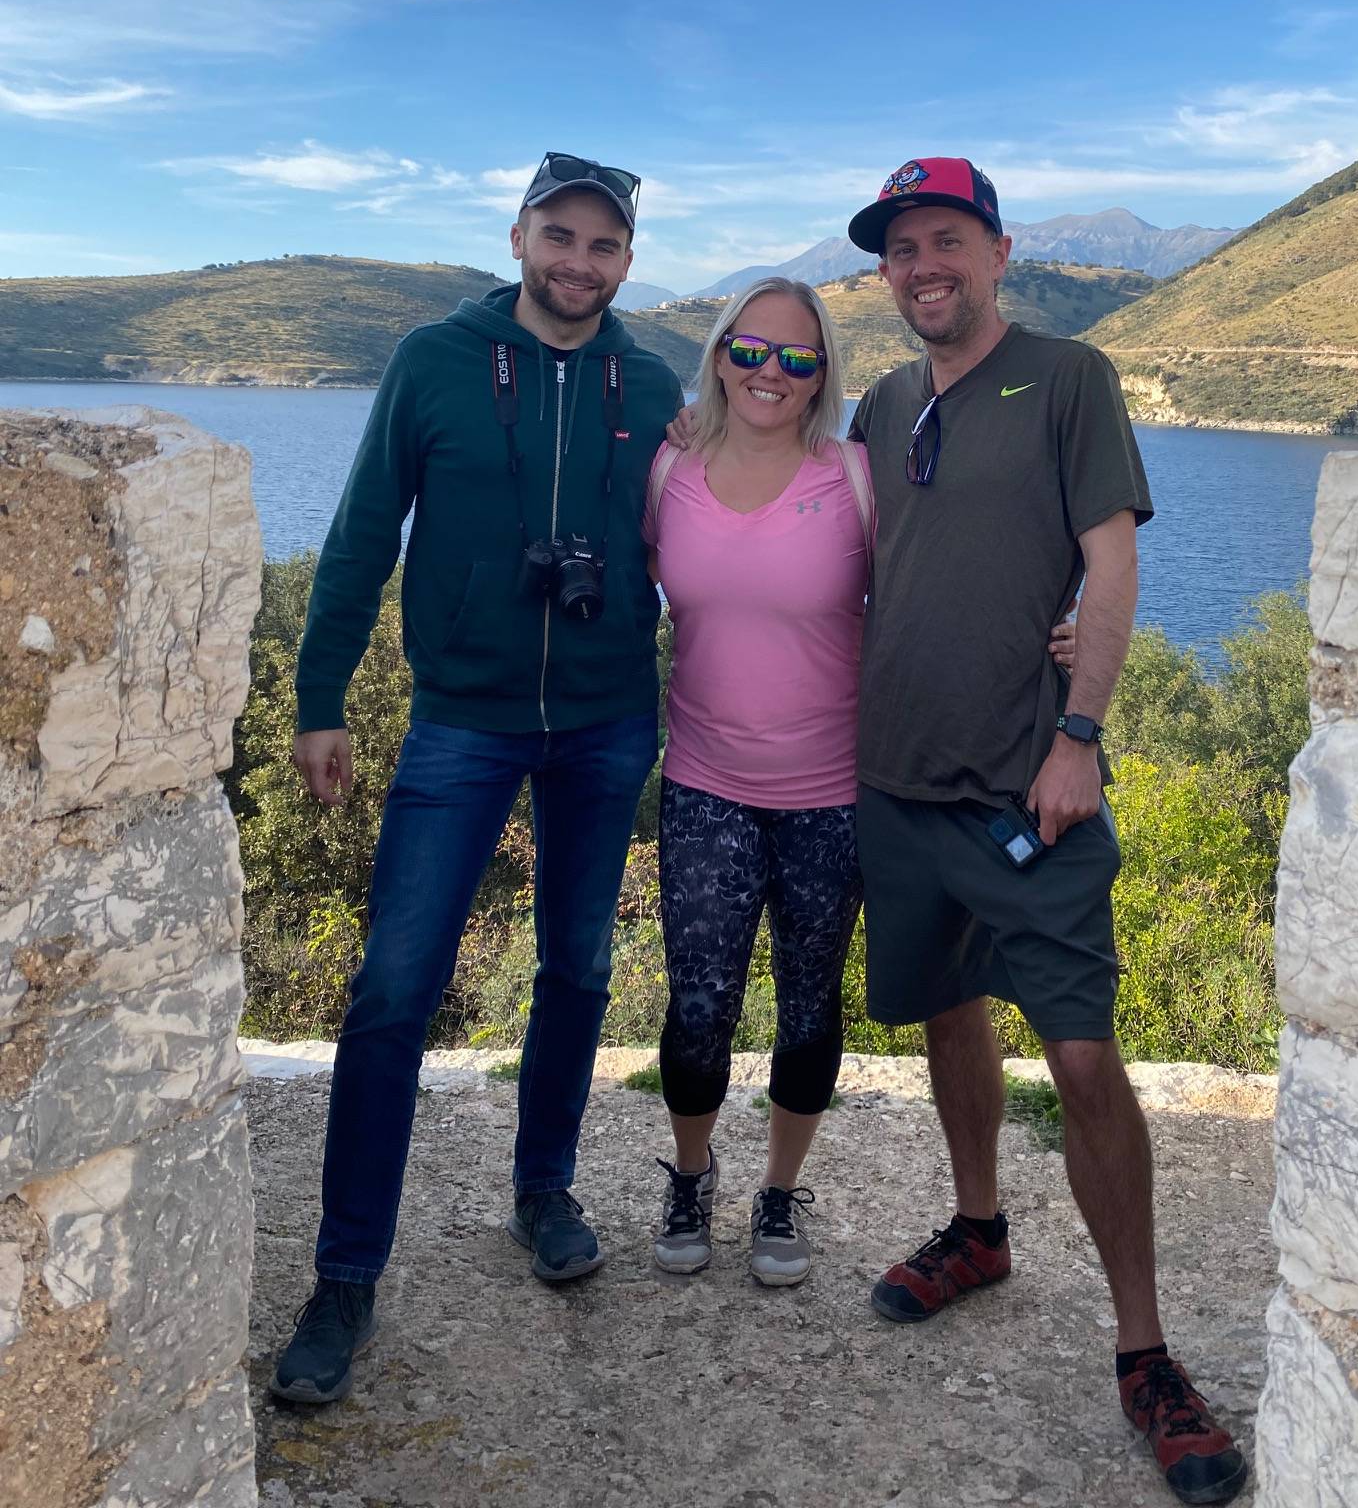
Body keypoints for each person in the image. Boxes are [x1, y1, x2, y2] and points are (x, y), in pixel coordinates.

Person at [844, 158, 1248, 1507]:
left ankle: (1147, 1356)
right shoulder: (882, 403)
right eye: (902, 249)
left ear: (998, 251)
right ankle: (978, 1231)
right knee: (948, 1012)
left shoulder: (1071, 376)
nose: (922, 266)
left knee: (1081, 1058)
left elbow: (1113, 556)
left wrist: (1080, 732)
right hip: (897, 788)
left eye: (945, 239)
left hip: (1033, 790)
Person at [269, 152, 683, 1407]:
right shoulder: (433, 361)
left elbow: (727, 533)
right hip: (462, 721)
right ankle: (346, 1276)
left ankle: (543, 1188)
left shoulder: (653, 383)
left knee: (580, 969)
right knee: (395, 989)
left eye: (603, 247)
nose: (578, 263)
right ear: (517, 236)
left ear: (626, 261)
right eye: (559, 236)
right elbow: (361, 530)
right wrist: (320, 695)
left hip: (609, 721)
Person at [645, 278, 1075, 1290]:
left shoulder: (852, 475)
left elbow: (947, 570)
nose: (771, 375)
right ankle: (692, 1174)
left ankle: (782, 1193)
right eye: (752, 352)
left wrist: (1062, 621)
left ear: (823, 376)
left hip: (834, 789)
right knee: (699, 1002)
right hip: (704, 778)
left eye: (799, 360)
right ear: (718, 355)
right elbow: (620, 597)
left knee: (807, 1006)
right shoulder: (669, 469)